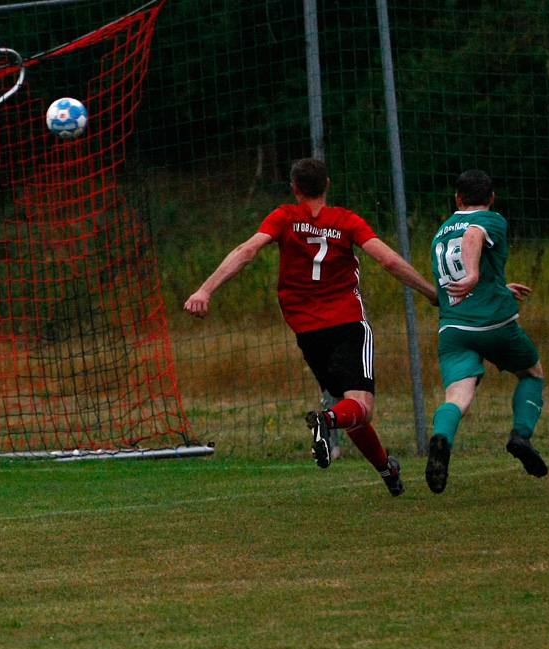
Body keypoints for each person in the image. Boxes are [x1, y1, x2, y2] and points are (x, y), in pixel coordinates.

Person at [184, 158, 438, 497]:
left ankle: (387, 470)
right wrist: (431, 293)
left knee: (348, 407)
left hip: (307, 330)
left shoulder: (285, 217)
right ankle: (327, 422)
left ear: (295, 189)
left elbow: (247, 251)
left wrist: (205, 289)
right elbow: (389, 260)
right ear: (327, 185)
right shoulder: (346, 221)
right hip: (347, 322)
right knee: (360, 406)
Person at [425, 169, 546, 493]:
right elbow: (473, 237)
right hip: (494, 324)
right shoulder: (489, 219)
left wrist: (493, 283)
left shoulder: (440, 232)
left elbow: (459, 260)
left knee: (458, 397)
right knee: (532, 373)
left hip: (453, 328)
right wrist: (476, 276)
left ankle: (442, 440)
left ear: (457, 198)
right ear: (491, 198)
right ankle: (521, 435)